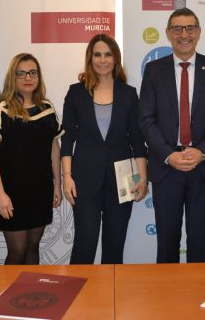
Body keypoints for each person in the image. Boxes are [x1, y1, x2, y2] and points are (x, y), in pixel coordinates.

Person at [139, 8, 205, 263]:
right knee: (167, 244)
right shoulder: (153, 70)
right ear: (168, 33)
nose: (184, 34)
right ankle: (168, 291)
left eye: (190, 28)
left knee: (200, 242)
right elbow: (146, 119)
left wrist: (202, 152)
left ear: (198, 32)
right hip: (166, 168)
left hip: (203, 167)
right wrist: (169, 154)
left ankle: (197, 289)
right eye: (177, 28)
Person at [61, 34, 148, 264]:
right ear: (90, 58)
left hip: (123, 180)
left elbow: (137, 141)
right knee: (85, 245)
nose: (102, 60)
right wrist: (67, 176)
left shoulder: (129, 94)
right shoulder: (76, 92)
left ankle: (111, 288)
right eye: (97, 54)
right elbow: (67, 138)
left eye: (108, 54)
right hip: (84, 179)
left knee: (115, 246)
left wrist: (142, 178)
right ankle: (80, 289)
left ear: (115, 58)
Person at [0, 53, 62, 265]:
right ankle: (10, 289)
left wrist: (57, 185)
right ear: (12, 77)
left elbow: (54, 148)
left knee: (33, 247)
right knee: (17, 251)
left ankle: (32, 287)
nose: (28, 78)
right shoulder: (1, 109)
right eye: (21, 73)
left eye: (33, 72)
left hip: (40, 190)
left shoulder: (46, 108)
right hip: (11, 193)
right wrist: (0, 194)